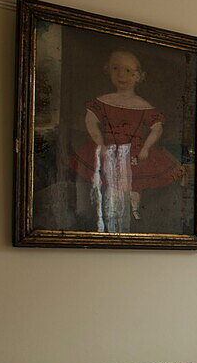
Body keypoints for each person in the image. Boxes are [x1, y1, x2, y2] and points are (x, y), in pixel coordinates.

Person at [68, 50, 182, 231]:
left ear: (138, 76)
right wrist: (100, 144)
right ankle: (109, 213)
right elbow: (90, 121)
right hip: (110, 150)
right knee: (109, 183)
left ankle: (134, 212)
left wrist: (146, 147)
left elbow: (157, 128)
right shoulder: (103, 101)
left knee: (134, 184)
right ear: (109, 71)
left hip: (134, 152)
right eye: (116, 68)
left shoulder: (144, 106)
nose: (122, 75)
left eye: (129, 71)